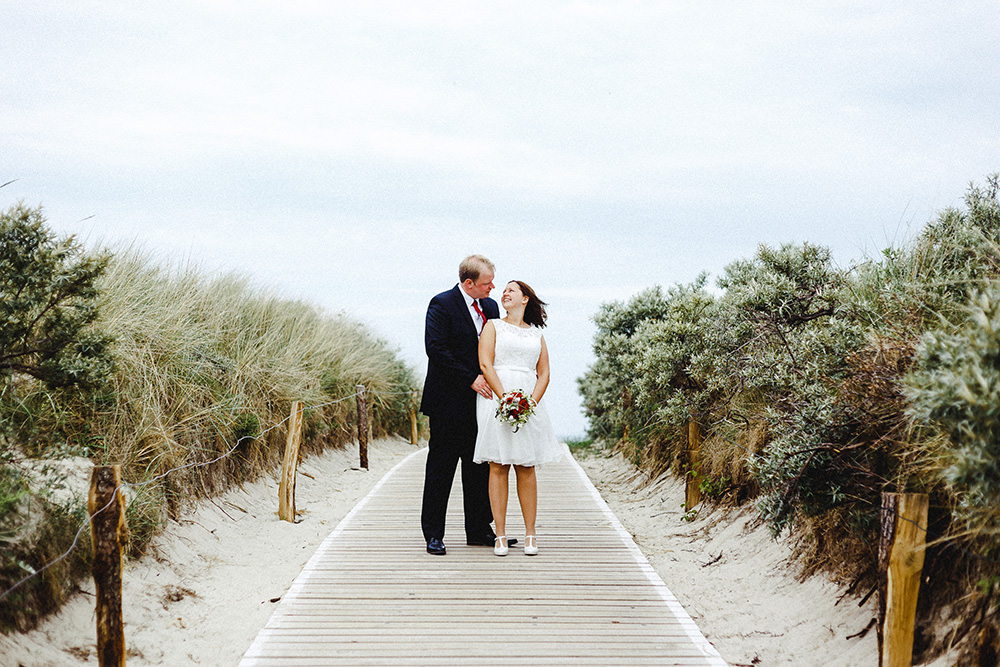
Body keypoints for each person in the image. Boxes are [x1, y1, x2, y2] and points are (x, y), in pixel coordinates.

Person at [419, 255, 516, 555]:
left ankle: (478, 530)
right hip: (447, 402)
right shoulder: (441, 304)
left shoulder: (490, 306)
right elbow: (435, 349)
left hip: (481, 403)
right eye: (487, 283)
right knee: (441, 469)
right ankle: (433, 534)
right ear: (468, 283)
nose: (493, 288)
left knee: (479, 468)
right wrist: (470, 379)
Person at [474, 280, 564, 556]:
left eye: (512, 290)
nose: (505, 293)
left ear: (525, 299)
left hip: (528, 401)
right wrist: (505, 398)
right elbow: (485, 363)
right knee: (498, 465)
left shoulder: (537, 335)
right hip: (496, 399)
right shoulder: (492, 326)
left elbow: (544, 373)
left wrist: (529, 403)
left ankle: (530, 533)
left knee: (526, 467)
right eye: (504, 290)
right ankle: (500, 534)